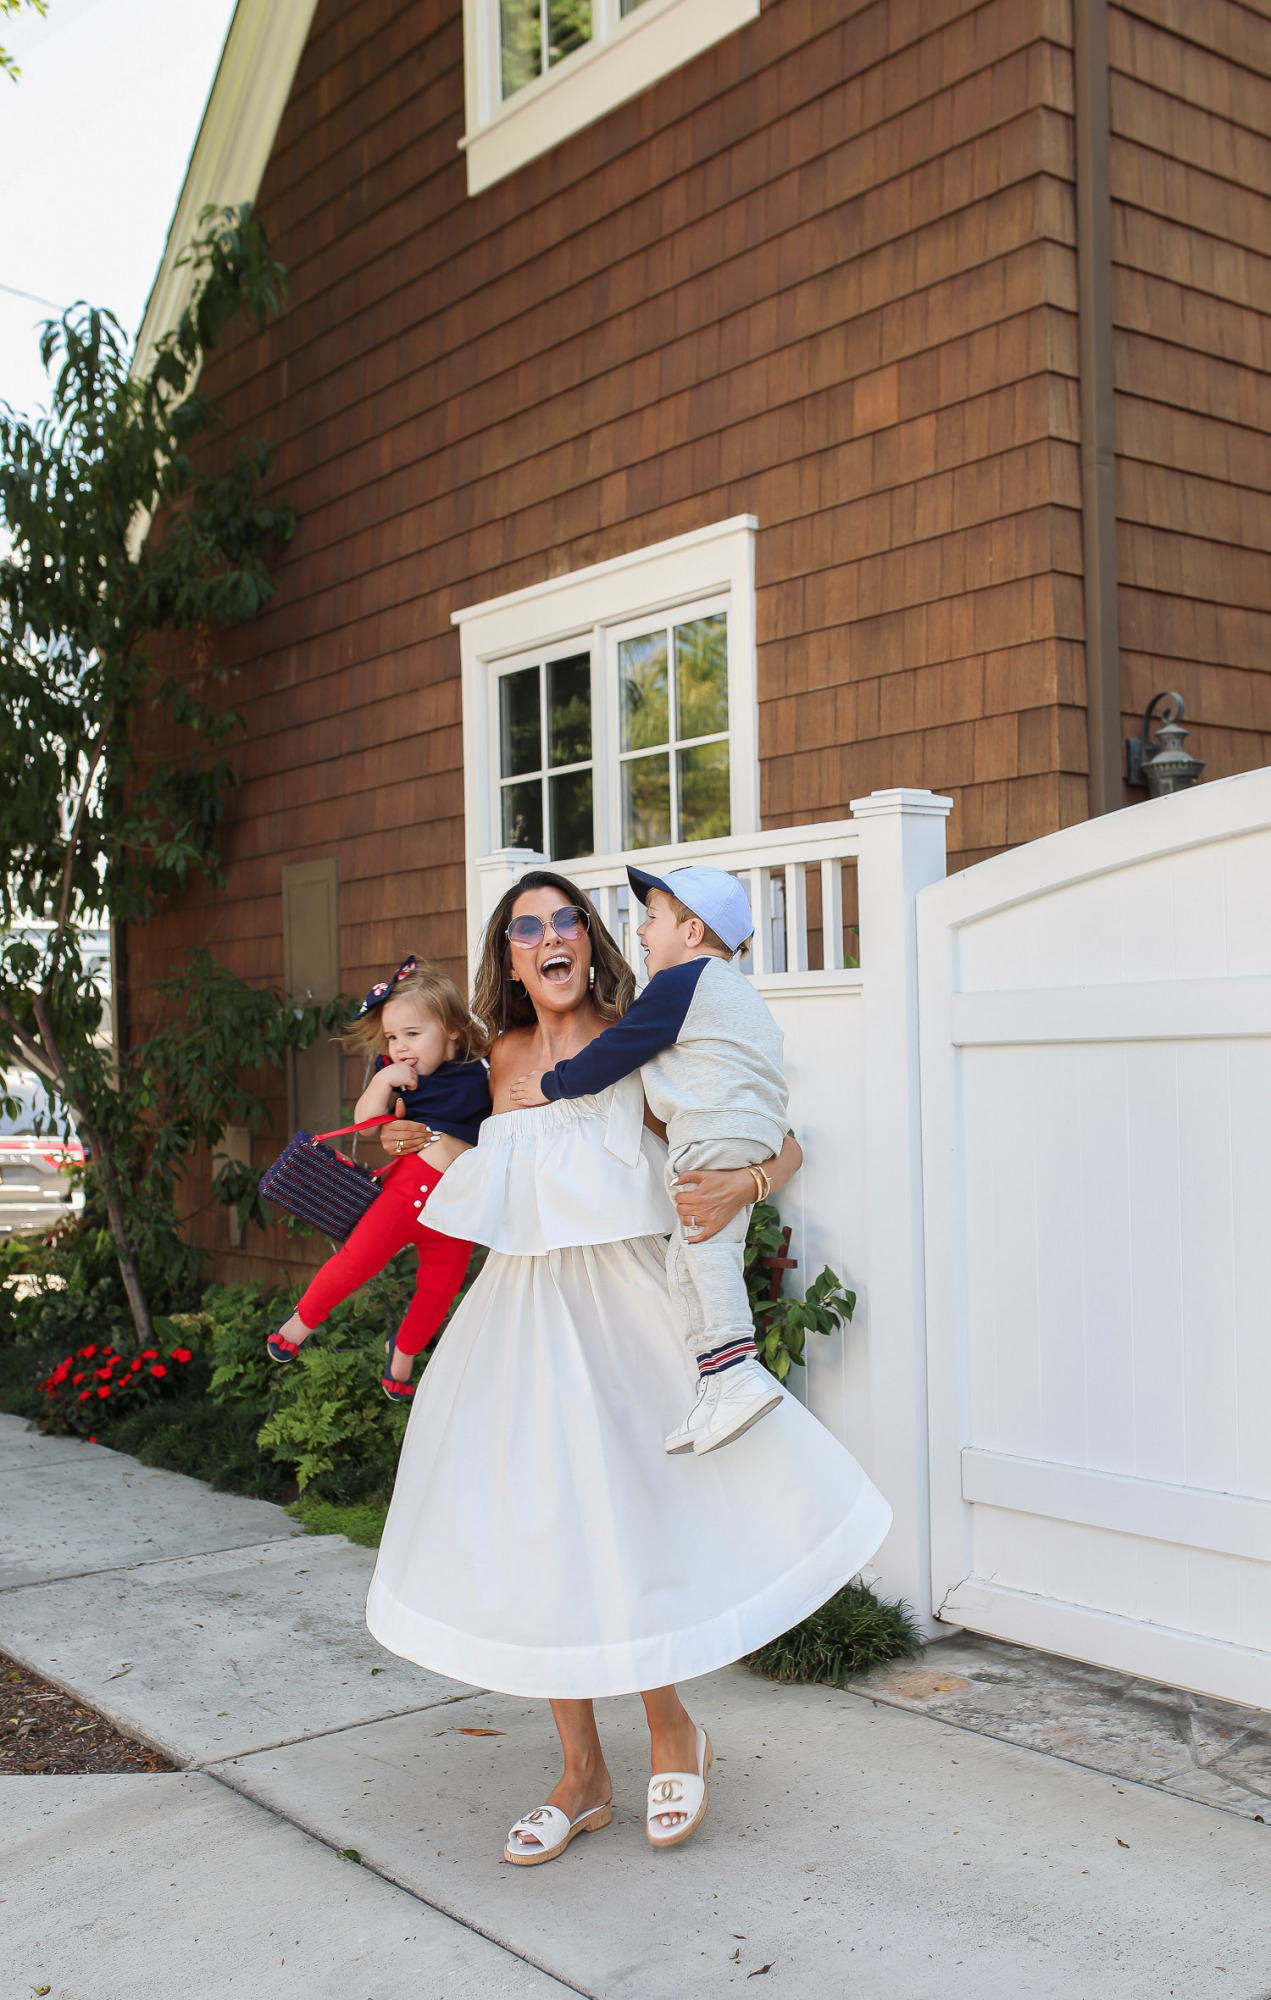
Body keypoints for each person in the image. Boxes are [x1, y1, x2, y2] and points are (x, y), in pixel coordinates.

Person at [365, 871, 891, 1865]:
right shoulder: (496, 1061)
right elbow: (482, 1174)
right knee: (540, 1537)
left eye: (565, 917)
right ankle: (580, 1771)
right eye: (526, 926)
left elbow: (771, 1140)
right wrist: (412, 1141)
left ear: (588, 939)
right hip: (516, 1326)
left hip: (625, 1317)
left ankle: (669, 1730)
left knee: (634, 1519)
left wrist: (741, 1179)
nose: (549, 935)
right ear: (509, 958)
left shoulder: (642, 1033)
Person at [509, 861, 790, 1455]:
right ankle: (715, 1384)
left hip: (715, 1131)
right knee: (689, 1261)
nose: (640, 931)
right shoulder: (728, 990)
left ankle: (738, 1372)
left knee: (704, 1245)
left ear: (691, 933)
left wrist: (553, 1084)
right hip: (745, 1126)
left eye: (652, 918)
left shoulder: (682, 983)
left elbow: (617, 1049)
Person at [266, 957, 490, 1399]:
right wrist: (383, 1081)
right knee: (358, 1259)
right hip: (408, 1190)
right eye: (392, 1035)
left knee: (439, 1290)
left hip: (458, 1205)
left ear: (451, 1029)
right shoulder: (399, 1074)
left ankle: (402, 1357)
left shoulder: (480, 1069)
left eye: (412, 1033)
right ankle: (297, 1325)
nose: (401, 1045)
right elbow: (366, 1125)